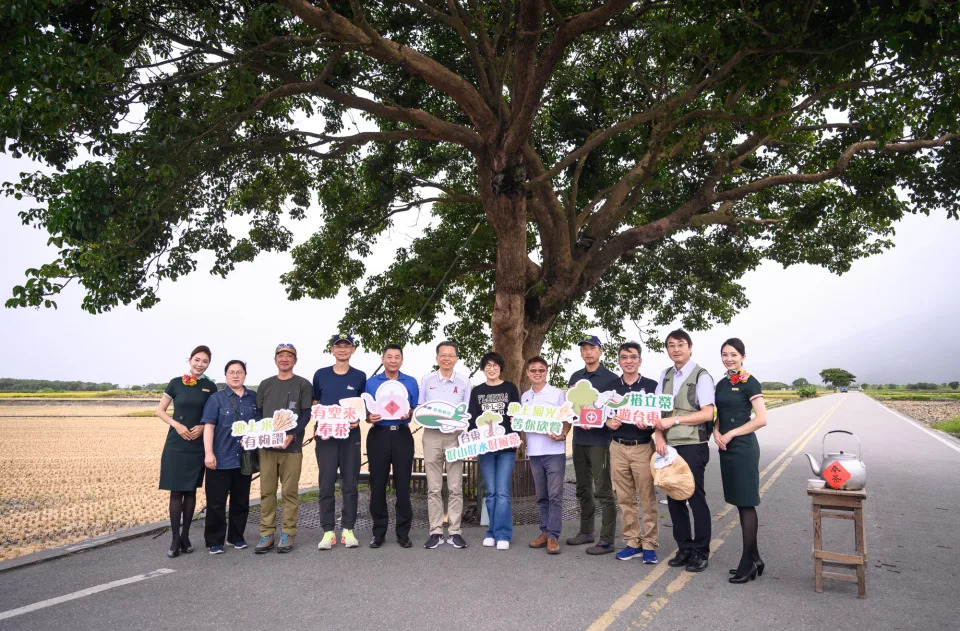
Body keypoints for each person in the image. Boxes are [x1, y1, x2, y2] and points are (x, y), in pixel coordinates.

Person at [655, 329, 716, 573]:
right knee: (673, 497)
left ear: (690, 347)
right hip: (669, 446)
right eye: (671, 345)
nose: (676, 349)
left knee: (694, 497)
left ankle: (701, 551)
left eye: (681, 344)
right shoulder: (665, 375)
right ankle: (684, 548)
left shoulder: (701, 376)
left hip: (693, 444)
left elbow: (707, 412)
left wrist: (675, 422)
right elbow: (658, 412)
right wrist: (659, 435)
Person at [605, 342, 664, 564]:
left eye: (633, 357)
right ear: (619, 361)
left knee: (647, 498)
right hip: (617, 447)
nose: (628, 360)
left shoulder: (651, 386)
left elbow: (659, 416)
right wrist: (608, 421)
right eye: (624, 357)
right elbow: (602, 414)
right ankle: (632, 542)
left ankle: (649, 544)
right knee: (624, 498)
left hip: (642, 447)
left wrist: (649, 425)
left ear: (640, 360)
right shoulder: (611, 387)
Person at [714, 338, 767, 583]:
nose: (729, 359)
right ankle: (755, 558)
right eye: (725, 354)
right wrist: (716, 431)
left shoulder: (750, 382)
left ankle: (747, 563)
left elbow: (761, 419)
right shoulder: (722, 383)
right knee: (738, 501)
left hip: (743, 448)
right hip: (726, 447)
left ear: (743, 356)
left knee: (746, 503)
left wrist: (732, 433)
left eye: (733, 354)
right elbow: (719, 414)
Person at [155, 345, 216, 558]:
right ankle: (174, 538)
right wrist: (177, 426)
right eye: (197, 360)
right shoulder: (175, 383)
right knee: (176, 491)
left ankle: (186, 536)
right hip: (176, 443)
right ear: (190, 360)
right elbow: (159, 411)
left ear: (209, 364)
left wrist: (202, 426)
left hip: (197, 444)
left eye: (205, 361)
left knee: (190, 491)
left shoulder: (211, 386)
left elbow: (213, 413)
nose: (200, 364)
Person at [254, 343, 312, 554]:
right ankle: (266, 534)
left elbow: (306, 414)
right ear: (275, 359)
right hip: (268, 448)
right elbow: (259, 414)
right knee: (267, 492)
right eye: (281, 355)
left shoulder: (303, 384)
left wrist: (292, 435)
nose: (285, 359)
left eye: (289, 356)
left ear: (295, 360)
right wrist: (264, 433)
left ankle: (288, 532)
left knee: (289, 492)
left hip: (292, 448)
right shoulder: (265, 384)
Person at [312, 333, 366, 550]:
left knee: (349, 483)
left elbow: (364, 406)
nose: (342, 349)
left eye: (347, 346)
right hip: (326, 437)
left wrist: (356, 419)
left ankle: (348, 530)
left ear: (353, 350)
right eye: (338, 346)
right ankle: (327, 531)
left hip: (350, 437)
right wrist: (319, 421)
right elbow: (315, 402)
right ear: (332, 350)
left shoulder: (360, 376)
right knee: (325, 484)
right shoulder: (321, 375)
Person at [566, 334, 619, 555]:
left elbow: (616, 410)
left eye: (592, 348)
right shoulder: (576, 377)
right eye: (584, 349)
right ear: (581, 353)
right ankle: (586, 531)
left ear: (600, 351)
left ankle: (607, 539)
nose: (588, 352)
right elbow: (570, 408)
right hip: (579, 440)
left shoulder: (611, 378)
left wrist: (604, 421)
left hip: (601, 441)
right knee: (582, 488)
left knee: (603, 489)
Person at [418, 341, 472, 549]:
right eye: (442, 355)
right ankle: (436, 531)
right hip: (431, 436)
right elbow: (420, 409)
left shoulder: (465, 382)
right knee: (433, 487)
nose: (446, 358)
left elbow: (466, 412)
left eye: (450, 355)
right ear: (437, 358)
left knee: (455, 486)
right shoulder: (427, 380)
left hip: (455, 437)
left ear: (456, 358)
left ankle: (455, 531)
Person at [366, 344, 419, 549]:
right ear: (382, 359)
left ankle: (403, 533)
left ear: (402, 360)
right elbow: (364, 411)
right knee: (377, 485)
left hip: (402, 435)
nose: (393, 360)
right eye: (389, 356)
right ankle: (378, 533)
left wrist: (410, 413)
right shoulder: (371, 382)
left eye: (397, 357)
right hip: (378, 435)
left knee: (403, 485)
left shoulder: (411, 382)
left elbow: (414, 408)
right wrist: (368, 417)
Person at [200, 360, 256, 554]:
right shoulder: (217, 398)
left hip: (244, 458)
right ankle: (215, 541)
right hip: (220, 458)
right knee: (216, 502)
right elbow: (209, 426)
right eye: (231, 372)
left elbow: (260, 426)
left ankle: (236, 536)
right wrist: (209, 453)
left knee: (241, 501)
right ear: (225, 375)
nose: (235, 375)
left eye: (239, 372)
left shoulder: (253, 398)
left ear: (245, 375)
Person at [468, 351, 521, 550]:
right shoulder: (477, 391)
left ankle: (503, 534)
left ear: (500, 368)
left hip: (506, 446)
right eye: (488, 365)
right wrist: (472, 444)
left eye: (495, 365)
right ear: (483, 369)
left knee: (502, 492)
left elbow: (516, 416)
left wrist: (517, 436)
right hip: (484, 447)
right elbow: (472, 421)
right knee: (490, 492)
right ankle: (491, 531)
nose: (492, 369)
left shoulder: (510, 388)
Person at [523, 357, 570, 555]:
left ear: (546, 372)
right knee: (541, 496)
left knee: (555, 495)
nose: (537, 373)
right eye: (533, 370)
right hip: (534, 453)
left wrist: (563, 434)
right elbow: (521, 421)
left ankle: (553, 536)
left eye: (541, 370)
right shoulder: (524, 396)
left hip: (554, 452)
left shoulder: (557, 394)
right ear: (527, 372)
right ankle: (544, 532)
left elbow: (568, 417)